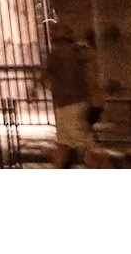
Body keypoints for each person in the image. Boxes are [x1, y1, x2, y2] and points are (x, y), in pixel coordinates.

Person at [46, 29, 109, 168]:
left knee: (87, 145)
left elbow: (46, 74)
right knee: (64, 143)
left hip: (66, 104)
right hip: (77, 103)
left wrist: (33, 90)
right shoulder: (78, 52)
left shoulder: (57, 54)